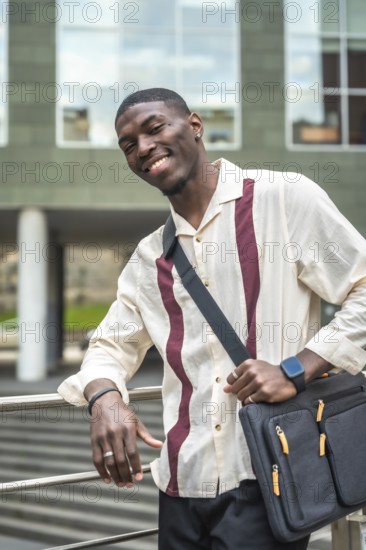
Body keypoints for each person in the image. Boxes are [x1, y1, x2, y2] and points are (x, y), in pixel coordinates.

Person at [58, 88, 366, 550]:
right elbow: (108, 346)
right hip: (180, 487)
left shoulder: (283, 199)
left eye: (155, 127)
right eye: (127, 144)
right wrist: (103, 397)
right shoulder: (149, 257)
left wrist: (296, 369)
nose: (142, 148)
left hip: (270, 475)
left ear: (196, 126)